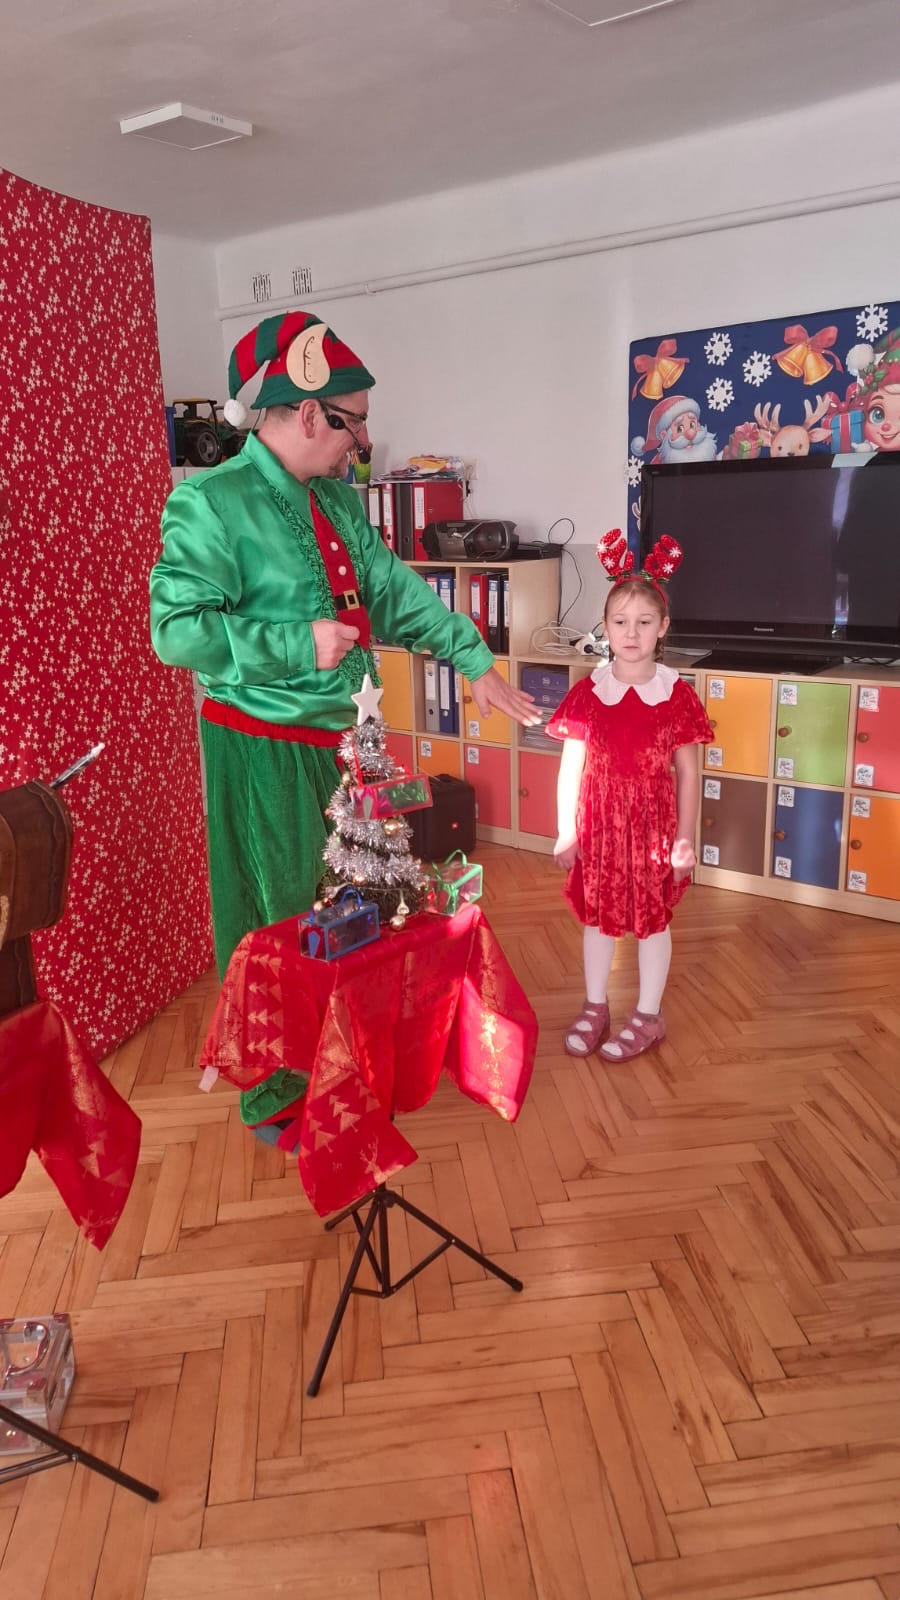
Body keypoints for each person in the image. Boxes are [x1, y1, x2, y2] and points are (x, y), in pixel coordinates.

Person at [150, 309, 540, 979]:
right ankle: (286, 1050)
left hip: (350, 747)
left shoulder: (338, 502)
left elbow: (393, 591)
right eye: (352, 422)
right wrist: (298, 645)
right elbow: (175, 632)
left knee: (364, 917)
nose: (362, 442)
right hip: (265, 754)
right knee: (285, 929)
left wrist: (472, 658)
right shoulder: (211, 502)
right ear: (308, 414)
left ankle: (350, 1039)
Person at [547, 530, 713, 1062]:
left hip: (653, 830)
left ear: (663, 627)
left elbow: (688, 774)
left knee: (651, 922)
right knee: (597, 918)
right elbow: (571, 764)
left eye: (644, 622)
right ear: (606, 626)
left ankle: (648, 1014)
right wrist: (566, 829)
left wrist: (684, 839)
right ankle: (595, 1005)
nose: (631, 632)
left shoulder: (677, 696)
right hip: (598, 827)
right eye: (620, 622)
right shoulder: (589, 693)